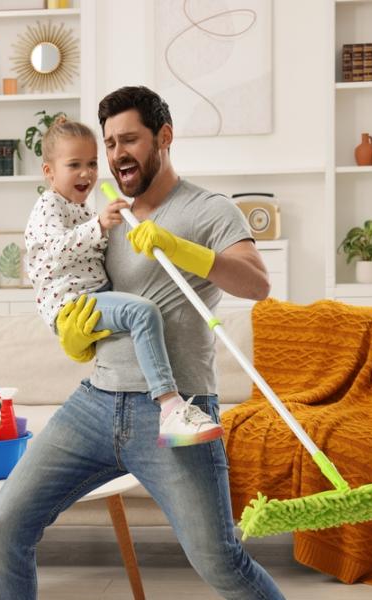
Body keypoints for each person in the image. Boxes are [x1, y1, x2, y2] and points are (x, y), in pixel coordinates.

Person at [0, 86, 283, 600]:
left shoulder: (211, 209)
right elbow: (67, 279)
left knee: (221, 562)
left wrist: (179, 247)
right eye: (110, 143)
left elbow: (256, 284)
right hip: (95, 403)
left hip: (175, 410)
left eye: (129, 140)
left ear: (164, 137)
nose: (118, 154)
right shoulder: (105, 215)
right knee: (5, 525)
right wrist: (75, 332)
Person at [23, 115, 223, 447]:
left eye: (91, 163)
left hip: (92, 297)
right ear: (49, 172)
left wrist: (115, 228)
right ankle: (170, 408)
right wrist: (99, 226)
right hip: (73, 304)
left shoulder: (82, 209)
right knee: (143, 313)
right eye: (74, 165)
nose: (86, 173)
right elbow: (53, 251)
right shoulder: (48, 207)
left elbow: (94, 252)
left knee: (142, 315)